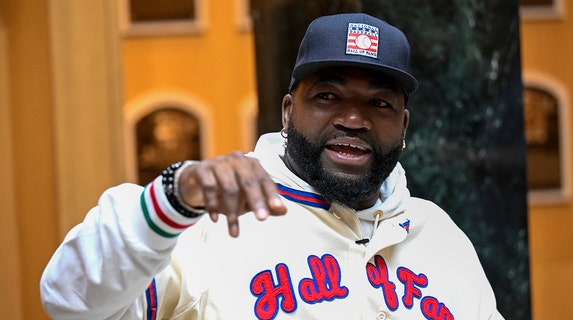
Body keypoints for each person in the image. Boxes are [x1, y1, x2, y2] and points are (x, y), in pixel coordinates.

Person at [41, 13, 504, 319]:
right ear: (287, 112)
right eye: (327, 96)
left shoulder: (440, 236)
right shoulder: (212, 223)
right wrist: (173, 196)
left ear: (403, 125)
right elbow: (72, 301)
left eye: (379, 103)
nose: (353, 118)